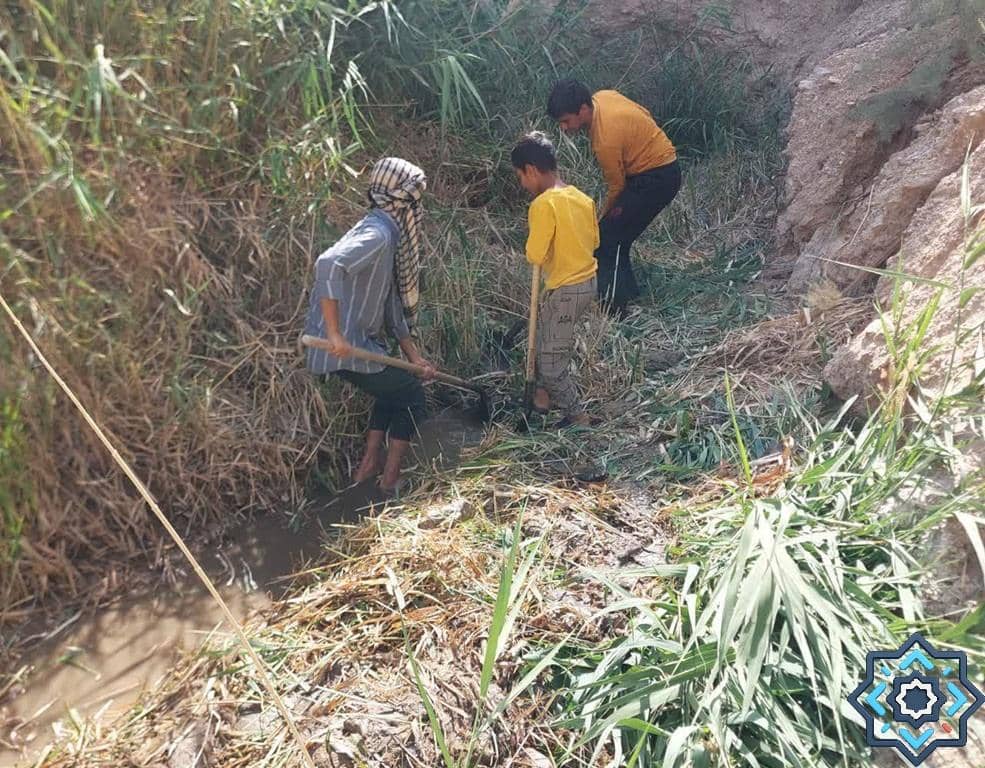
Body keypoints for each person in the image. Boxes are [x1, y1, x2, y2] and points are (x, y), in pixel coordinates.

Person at [304, 157, 435, 493]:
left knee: (394, 387)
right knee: (411, 395)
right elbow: (328, 265)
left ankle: (368, 465)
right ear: (400, 201)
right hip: (343, 346)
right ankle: (389, 479)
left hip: (361, 345)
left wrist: (414, 358)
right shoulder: (377, 234)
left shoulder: (381, 232)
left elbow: (391, 305)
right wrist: (334, 333)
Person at [547, 78, 682, 317]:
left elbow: (617, 187)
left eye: (566, 121)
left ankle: (615, 310)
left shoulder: (604, 140)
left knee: (606, 241)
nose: (564, 128)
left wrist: (601, 221)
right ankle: (629, 293)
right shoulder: (605, 95)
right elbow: (644, 113)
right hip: (662, 169)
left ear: (583, 110)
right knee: (619, 236)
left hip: (656, 179)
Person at [512, 131, 598, 428]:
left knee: (550, 361)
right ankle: (541, 399)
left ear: (532, 170)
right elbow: (594, 240)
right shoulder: (582, 198)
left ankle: (577, 415)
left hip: (567, 288)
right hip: (587, 282)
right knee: (543, 335)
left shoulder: (543, 204)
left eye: (521, 177)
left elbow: (535, 253)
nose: (522, 185)